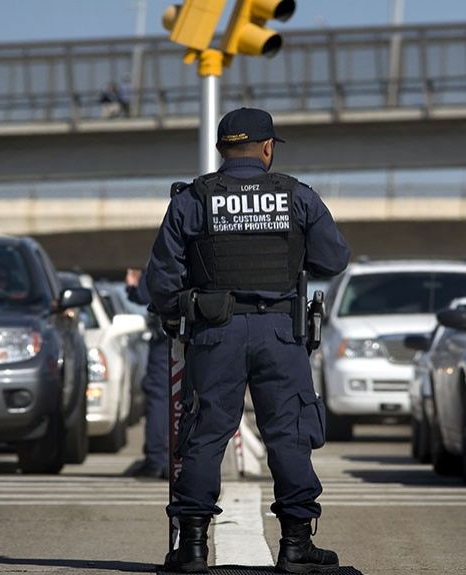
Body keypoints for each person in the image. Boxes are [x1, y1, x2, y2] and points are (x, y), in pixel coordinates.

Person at [145, 107, 350, 573]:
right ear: (268, 148)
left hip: (215, 332)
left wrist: (178, 313)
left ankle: (192, 549)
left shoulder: (194, 199)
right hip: (280, 332)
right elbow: (333, 260)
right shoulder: (297, 196)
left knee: (204, 434)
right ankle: (297, 545)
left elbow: (162, 279)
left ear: (221, 149)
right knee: (290, 433)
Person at [124, 267, 169, 479]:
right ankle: (184, 461)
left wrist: (133, 286)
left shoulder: (168, 250)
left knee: (159, 397)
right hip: (200, 335)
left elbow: (144, 294)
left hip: (167, 338)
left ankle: (157, 460)